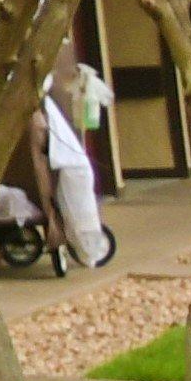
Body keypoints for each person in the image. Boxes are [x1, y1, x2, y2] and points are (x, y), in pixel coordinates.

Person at [39, 55, 117, 270]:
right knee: (79, 172)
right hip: (63, 154)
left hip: (58, 145)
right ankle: (86, 241)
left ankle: (86, 240)